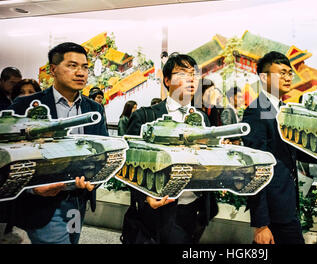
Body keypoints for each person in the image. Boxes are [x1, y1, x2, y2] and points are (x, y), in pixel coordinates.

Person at [241, 51, 317, 244]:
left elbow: (297, 149)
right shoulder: (256, 112)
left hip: (286, 203)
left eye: (289, 73)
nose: (288, 77)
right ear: (264, 77)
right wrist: (261, 224)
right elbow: (254, 168)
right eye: (281, 73)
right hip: (273, 209)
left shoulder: (284, 109)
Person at [7, 42, 108, 244]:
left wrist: (96, 177)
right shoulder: (25, 105)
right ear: (53, 69)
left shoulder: (94, 108)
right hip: (43, 202)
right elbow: (8, 158)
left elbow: (102, 149)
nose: (81, 72)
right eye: (72, 65)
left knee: (72, 240)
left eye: (85, 67)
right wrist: (32, 188)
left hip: (78, 199)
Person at [126, 53, 218, 244]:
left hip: (194, 208)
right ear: (167, 80)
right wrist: (144, 197)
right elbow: (127, 161)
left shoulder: (202, 118)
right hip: (157, 209)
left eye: (194, 74)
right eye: (183, 73)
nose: (191, 78)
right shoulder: (146, 117)